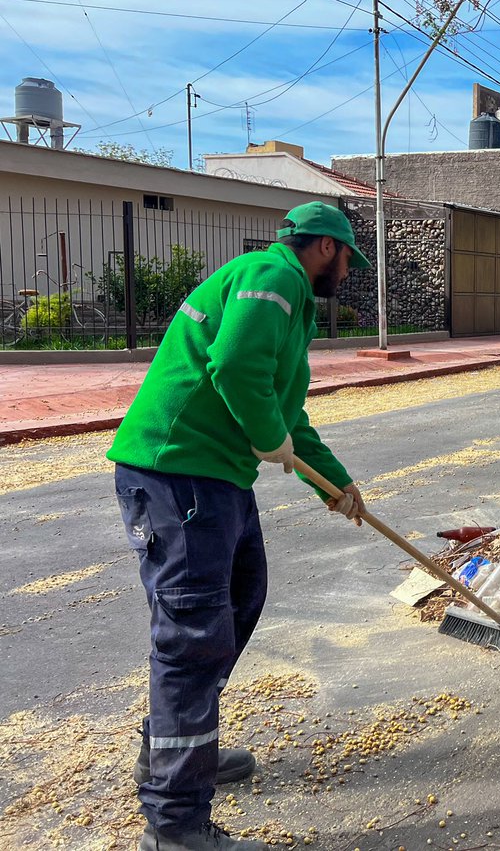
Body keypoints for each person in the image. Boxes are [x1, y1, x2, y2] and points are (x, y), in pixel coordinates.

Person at [108, 201, 372, 851]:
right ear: (324, 249)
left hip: (214, 478)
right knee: (194, 640)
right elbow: (234, 369)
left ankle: (178, 749)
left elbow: (288, 420)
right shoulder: (274, 276)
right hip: (182, 474)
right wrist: (269, 438)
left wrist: (335, 487)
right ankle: (175, 827)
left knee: (241, 595)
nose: (347, 274)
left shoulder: (288, 304)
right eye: (346, 260)